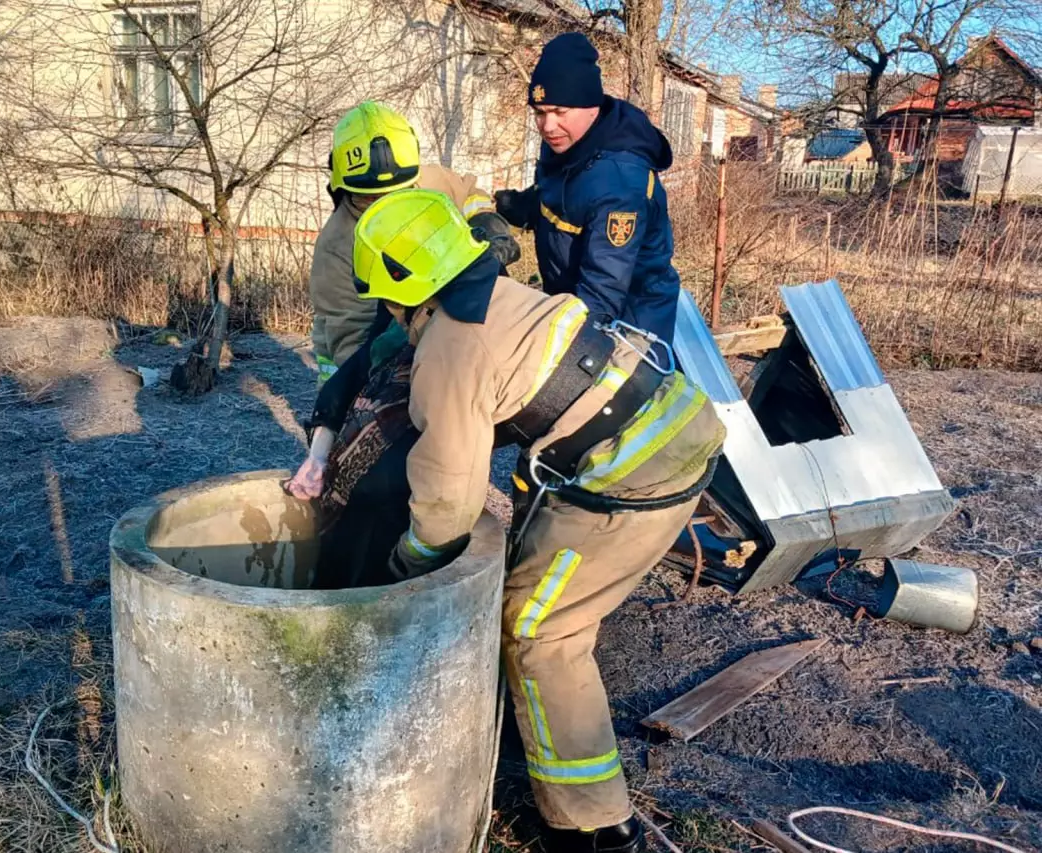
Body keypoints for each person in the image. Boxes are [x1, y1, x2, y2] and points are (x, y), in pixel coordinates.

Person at [289, 188, 725, 852]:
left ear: (395, 293)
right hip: (668, 431)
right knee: (536, 594)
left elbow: (446, 507)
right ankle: (547, 752)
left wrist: (404, 569)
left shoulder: (447, 348)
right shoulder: (494, 291)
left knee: (538, 626)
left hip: (633, 471)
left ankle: (595, 827)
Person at [310, 100, 520, 385]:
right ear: (344, 186)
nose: (390, 205)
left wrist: (487, 224)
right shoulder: (335, 247)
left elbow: (470, 194)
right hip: (368, 367)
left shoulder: (429, 181)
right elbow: (354, 344)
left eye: (400, 192)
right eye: (372, 198)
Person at [494, 32, 682, 345]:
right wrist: (517, 206)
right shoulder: (567, 144)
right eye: (540, 113)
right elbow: (559, 196)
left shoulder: (620, 182)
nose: (548, 126)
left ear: (591, 106)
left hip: (627, 331)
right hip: (571, 307)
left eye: (559, 112)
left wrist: (554, 350)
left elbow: (602, 293)